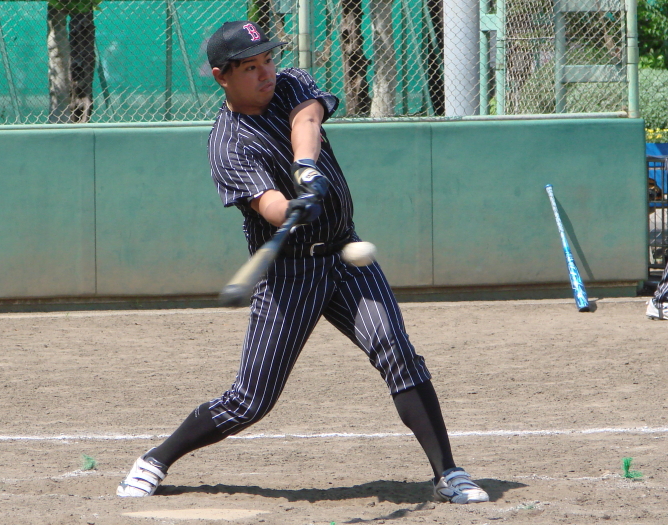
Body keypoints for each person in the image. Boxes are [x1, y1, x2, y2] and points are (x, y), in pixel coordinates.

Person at [116, 20, 489, 505]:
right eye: (250, 68)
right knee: (251, 400)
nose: (266, 73)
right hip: (290, 274)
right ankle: (157, 458)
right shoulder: (227, 143)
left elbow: (306, 121)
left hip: (345, 254)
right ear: (221, 76)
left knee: (397, 352)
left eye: (267, 60)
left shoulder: (291, 81)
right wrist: (289, 208)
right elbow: (266, 203)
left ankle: (448, 472)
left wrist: (306, 168)